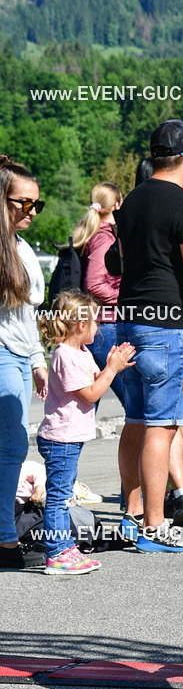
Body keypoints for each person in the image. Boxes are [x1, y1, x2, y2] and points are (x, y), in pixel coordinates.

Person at [115, 119, 183, 552]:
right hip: (168, 328)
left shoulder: (130, 202)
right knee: (163, 427)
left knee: (136, 422)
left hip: (130, 321)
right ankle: (156, 528)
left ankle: (132, 516)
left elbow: (121, 263)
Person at [36, 290, 135, 574]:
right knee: (58, 496)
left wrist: (110, 364)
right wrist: (112, 370)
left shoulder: (81, 352)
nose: (98, 327)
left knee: (64, 495)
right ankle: (57, 553)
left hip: (69, 438)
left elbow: (94, 379)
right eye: (94, 322)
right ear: (81, 326)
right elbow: (91, 394)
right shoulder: (64, 356)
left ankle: (65, 547)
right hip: (60, 439)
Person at [0, 155, 49, 571]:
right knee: (12, 446)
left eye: (37, 204)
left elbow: (25, 314)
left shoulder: (20, 246)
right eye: (23, 203)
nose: (31, 211)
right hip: (2, 355)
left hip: (17, 354)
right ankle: (3, 541)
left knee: (11, 447)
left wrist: (36, 358)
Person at [72, 182, 125, 405]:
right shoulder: (103, 237)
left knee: (87, 404)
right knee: (134, 406)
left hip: (98, 327)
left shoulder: (88, 232)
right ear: (116, 205)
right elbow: (93, 284)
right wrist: (122, 298)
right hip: (106, 327)